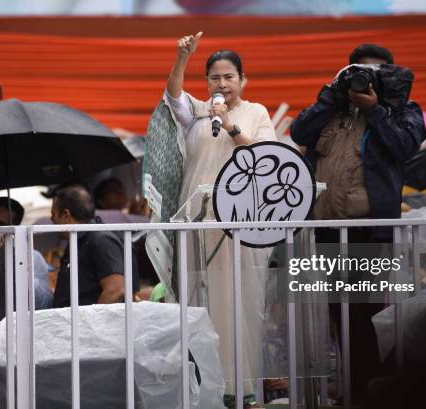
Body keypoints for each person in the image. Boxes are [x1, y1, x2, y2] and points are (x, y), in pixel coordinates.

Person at [290, 44, 426, 401]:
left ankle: (367, 390)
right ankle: (355, 386)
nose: (367, 78)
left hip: (369, 228)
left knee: (366, 312)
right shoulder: (334, 109)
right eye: (359, 70)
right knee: (339, 312)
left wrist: (377, 112)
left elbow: (404, 147)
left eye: (377, 73)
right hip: (327, 229)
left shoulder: (403, 111)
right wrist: (330, 98)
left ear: (390, 77)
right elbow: (299, 132)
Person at [153, 31, 277, 398]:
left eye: (229, 77)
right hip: (196, 225)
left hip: (240, 227)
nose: (222, 83)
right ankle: (203, 389)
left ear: (243, 80)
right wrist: (181, 58)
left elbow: (262, 157)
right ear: (206, 82)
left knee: (241, 306)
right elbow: (173, 95)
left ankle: (244, 388)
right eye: (215, 78)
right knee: (197, 307)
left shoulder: (256, 113)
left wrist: (231, 124)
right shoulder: (196, 111)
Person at [51, 185, 138, 307]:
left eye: (53, 214)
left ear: (66, 214)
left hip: (88, 325)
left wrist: (89, 323)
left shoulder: (100, 239)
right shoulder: (79, 239)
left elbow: (116, 290)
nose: (51, 219)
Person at [0, 196, 53, 312]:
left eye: (0, 223)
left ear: (15, 228)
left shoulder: (33, 257)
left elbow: (44, 302)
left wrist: (20, 266)